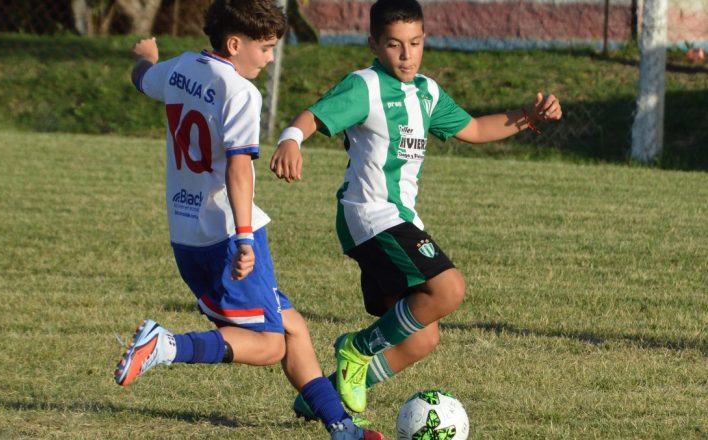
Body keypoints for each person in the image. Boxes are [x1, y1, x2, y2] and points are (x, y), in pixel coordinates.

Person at [269, 0, 562, 417]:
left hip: (400, 218)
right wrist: (291, 139)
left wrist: (529, 116)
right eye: (394, 44)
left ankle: (319, 400)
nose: (407, 55)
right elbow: (314, 116)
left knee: (421, 338)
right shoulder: (365, 86)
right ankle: (357, 349)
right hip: (370, 214)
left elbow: (475, 128)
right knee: (448, 289)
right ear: (374, 44)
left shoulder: (427, 92)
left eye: (415, 42)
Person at [113, 1, 384, 438]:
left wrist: (145, 56)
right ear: (235, 44)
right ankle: (166, 345)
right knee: (270, 344)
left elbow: (143, 79)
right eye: (266, 48)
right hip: (228, 235)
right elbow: (238, 169)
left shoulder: (181, 68)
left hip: (186, 233)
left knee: (292, 327)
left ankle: (342, 427)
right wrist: (243, 239)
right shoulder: (240, 92)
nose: (271, 58)